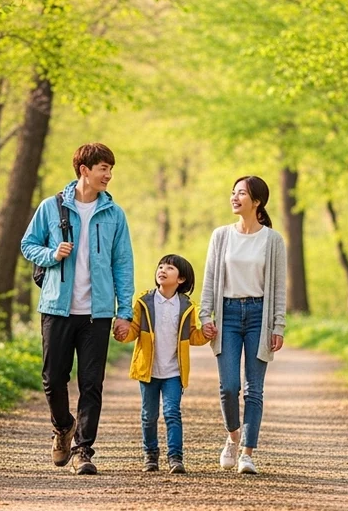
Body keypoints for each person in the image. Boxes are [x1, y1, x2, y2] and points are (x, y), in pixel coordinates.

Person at [20, 143, 134, 475]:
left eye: (111, 169)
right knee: (53, 379)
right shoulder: (51, 208)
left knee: (91, 383)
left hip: (96, 313)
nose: (108, 175)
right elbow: (28, 244)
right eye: (103, 168)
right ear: (84, 169)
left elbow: (122, 265)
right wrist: (52, 255)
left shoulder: (114, 214)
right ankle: (62, 427)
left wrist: (123, 312)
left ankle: (83, 450)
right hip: (57, 307)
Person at [198, 175, 287, 475]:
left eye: (241, 194)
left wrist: (279, 326)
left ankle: (247, 453)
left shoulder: (273, 241)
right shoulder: (221, 235)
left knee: (254, 389)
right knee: (228, 387)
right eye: (233, 193)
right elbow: (210, 278)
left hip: (259, 316)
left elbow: (278, 287)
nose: (234, 198)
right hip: (228, 315)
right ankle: (233, 437)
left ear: (257, 202)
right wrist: (205, 316)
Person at [115, 254, 209, 474]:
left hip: (174, 372)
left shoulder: (186, 306)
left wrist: (205, 334)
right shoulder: (144, 302)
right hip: (148, 370)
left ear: (181, 279)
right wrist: (123, 333)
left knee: (172, 413)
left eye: (169, 268)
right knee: (149, 415)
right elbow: (135, 330)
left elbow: (192, 336)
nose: (162, 270)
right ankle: (150, 455)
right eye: (160, 266)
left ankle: (175, 457)